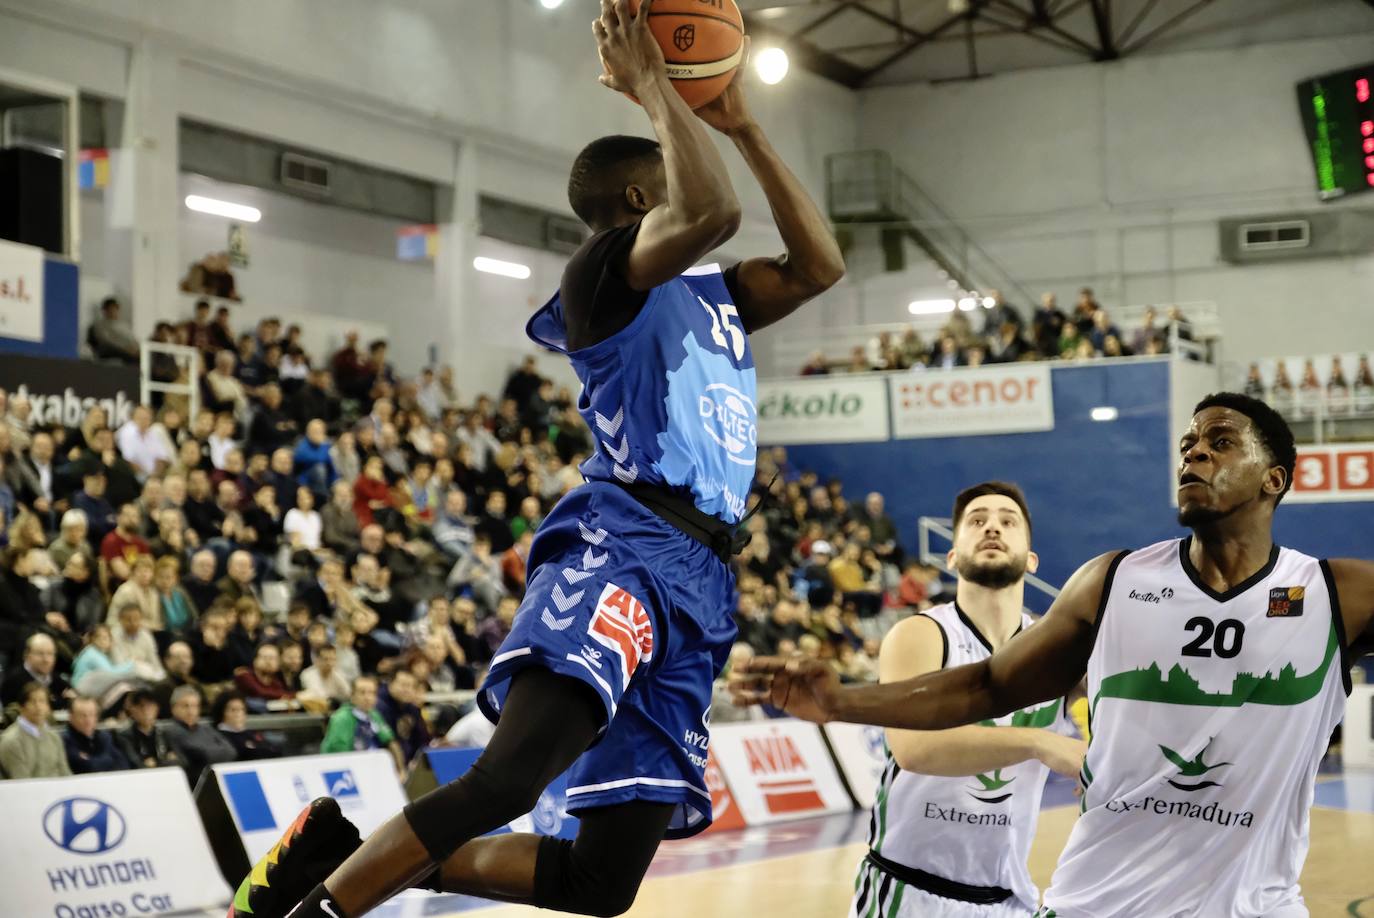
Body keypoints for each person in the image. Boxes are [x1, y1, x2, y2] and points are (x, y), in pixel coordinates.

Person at [235, 6, 845, 916]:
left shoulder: (714, 297)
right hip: (627, 546)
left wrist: (746, 125)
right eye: (669, 175)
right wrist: (655, 88)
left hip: (705, 577)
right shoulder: (600, 280)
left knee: (601, 885)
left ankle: (351, 862)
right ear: (643, 204)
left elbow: (820, 265)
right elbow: (711, 210)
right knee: (508, 779)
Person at [733, 393, 1374, 917]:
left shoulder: (1338, 594)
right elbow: (988, 686)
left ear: (1275, 478)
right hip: (1100, 903)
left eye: (1221, 442)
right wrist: (844, 700)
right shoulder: (1114, 581)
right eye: (1188, 444)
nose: (1195, 453)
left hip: (1256, 906)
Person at [849, 482, 1084, 918]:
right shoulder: (921, 635)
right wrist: (1041, 742)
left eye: (1007, 521)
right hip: (909, 893)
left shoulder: (1057, 654)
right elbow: (915, 749)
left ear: (1031, 560)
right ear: (952, 556)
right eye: (977, 521)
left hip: (1011, 900)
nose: (992, 527)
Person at [319, 675, 404, 770]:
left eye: (372, 693)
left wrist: (401, 770)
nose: (368, 697)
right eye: (362, 693)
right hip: (352, 769)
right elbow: (339, 754)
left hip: (374, 767)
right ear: (352, 695)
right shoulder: (342, 718)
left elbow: (391, 742)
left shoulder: (374, 715)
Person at [165, 684, 237, 784]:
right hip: (195, 783)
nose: (191, 711)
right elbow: (196, 757)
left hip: (218, 779)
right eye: (185, 706)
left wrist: (208, 754)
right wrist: (215, 752)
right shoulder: (171, 732)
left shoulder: (207, 729)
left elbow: (231, 751)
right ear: (173, 708)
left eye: (195, 706)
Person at [0, 681, 72, 778]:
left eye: (42, 701)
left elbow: (65, 774)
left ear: (48, 707)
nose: (38, 707)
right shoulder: (11, 741)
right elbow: (21, 782)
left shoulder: (54, 737)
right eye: (33, 702)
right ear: (22, 707)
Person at [116, 687, 184, 770]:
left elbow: (181, 761)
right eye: (141, 706)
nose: (145, 711)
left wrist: (156, 763)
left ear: (157, 708)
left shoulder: (165, 732)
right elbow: (136, 764)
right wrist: (167, 761)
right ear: (132, 710)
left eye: (149, 705)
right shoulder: (124, 736)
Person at [63, 695, 130, 774]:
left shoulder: (104, 737)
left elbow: (123, 764)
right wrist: (108, 759)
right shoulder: (65, 740)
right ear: (71, 717)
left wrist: (94, 760)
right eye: (82, 715)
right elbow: (88, 767)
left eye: (91, 714)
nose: (88, 720)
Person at [212, 689, 283, 760]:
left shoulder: (250, 733)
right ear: (222, 713)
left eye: (242, 709)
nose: (239, 714)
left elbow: (274, 751)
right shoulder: (218, 737)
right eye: (233, 710)